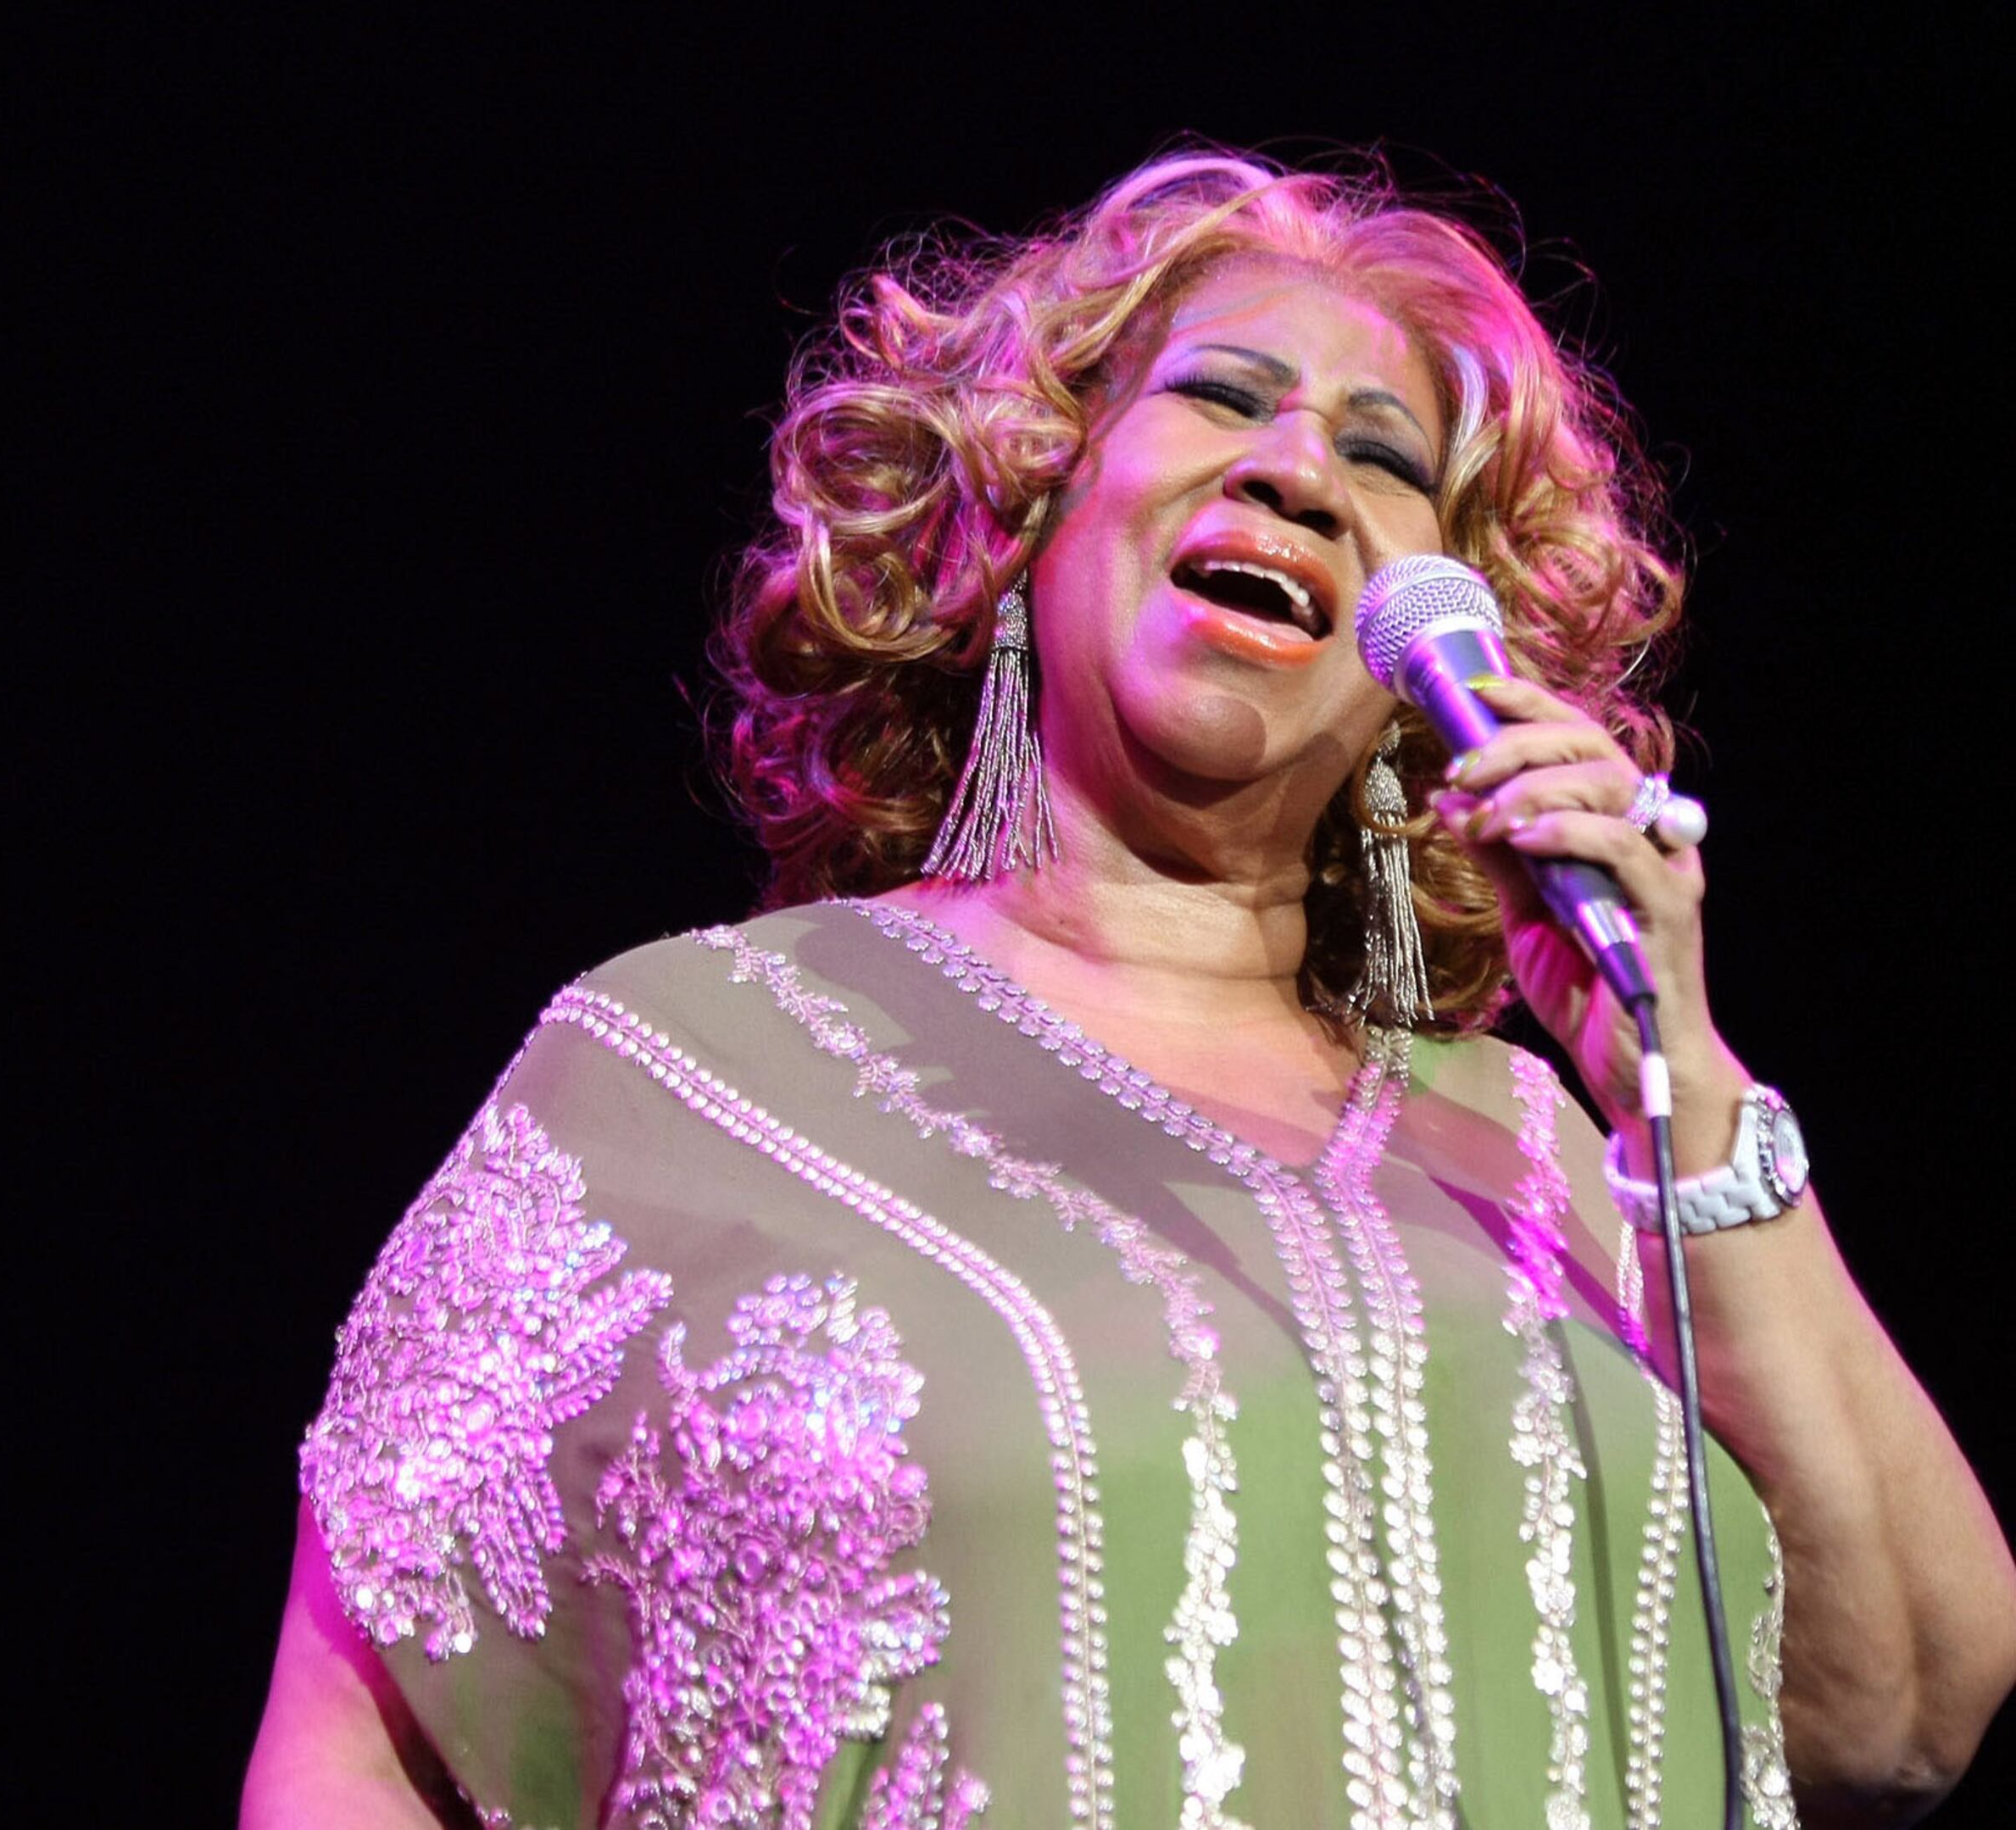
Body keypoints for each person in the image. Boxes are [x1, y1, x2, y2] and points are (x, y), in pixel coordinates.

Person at [241, 151, 2016, 1830]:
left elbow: (1909, 1715)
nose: (1299, 470)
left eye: (1383, 457)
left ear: (1426, 657)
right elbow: (362, 1757)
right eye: (1225, 397)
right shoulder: (684, 1074)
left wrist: (1674, 1071)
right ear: (1031, 509)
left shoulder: (1558, 1156)